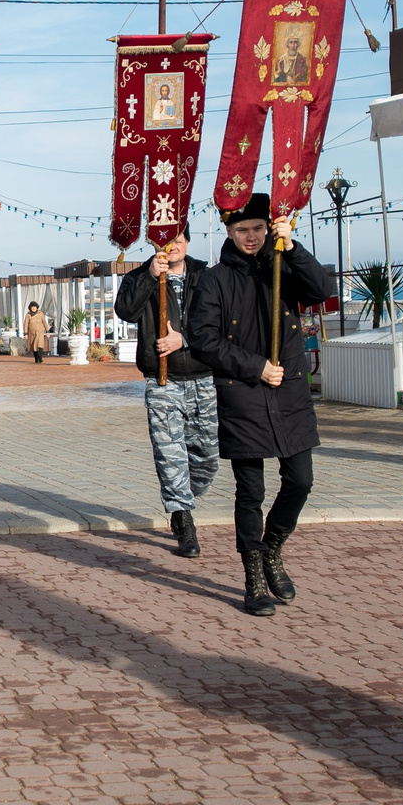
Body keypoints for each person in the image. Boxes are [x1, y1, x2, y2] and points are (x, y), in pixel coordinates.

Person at [187, 196, 337, 617]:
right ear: (229, 233)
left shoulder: (282, 266)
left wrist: (292, 247)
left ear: (268, 229)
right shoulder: (214, 280)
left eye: (257, 228)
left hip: (289, 393)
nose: (250, 237)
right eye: (241, 230)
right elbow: (203, 338)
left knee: (301, 481)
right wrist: (255, 367)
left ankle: (272, 548)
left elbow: (323, 291)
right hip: (244, 394)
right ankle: (253, 577)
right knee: (250, 491)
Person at [115, 235, 216, 557]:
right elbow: (126, 312)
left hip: (205, 378)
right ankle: (183, 518)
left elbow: (220, 321)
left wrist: (183, 340)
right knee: (170, 454)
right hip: (163, 382)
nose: (173, 247)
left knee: (207, 457)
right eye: (167, 241)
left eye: (179, 240)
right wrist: (149, 277)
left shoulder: (206, 275)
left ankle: (184, 497)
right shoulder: (139, 277)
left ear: (187, 242)